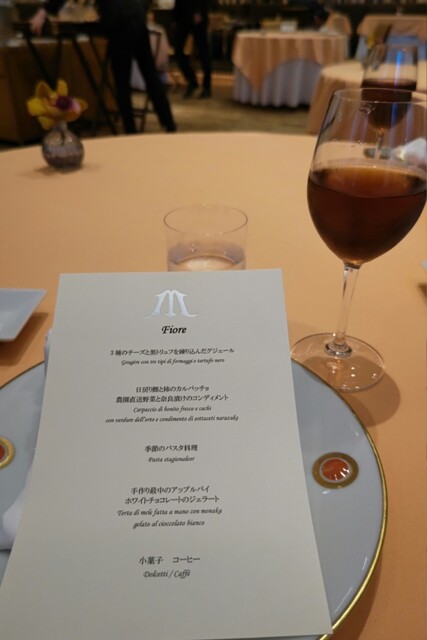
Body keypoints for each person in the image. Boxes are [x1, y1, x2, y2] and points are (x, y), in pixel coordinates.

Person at [30, 0, 176, 133]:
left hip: (119, 22)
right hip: (136, 16)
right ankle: (169, 124)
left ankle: (130, 131)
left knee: (122, 83)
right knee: (150, 76)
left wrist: (44, 11)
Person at [172, 0, 211, 99]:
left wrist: (198, 11)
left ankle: (207, 86)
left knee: (203, 52)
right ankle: (191, 80)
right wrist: (175, 16)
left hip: (197, 13)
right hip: (182, 14)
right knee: (177, 49)